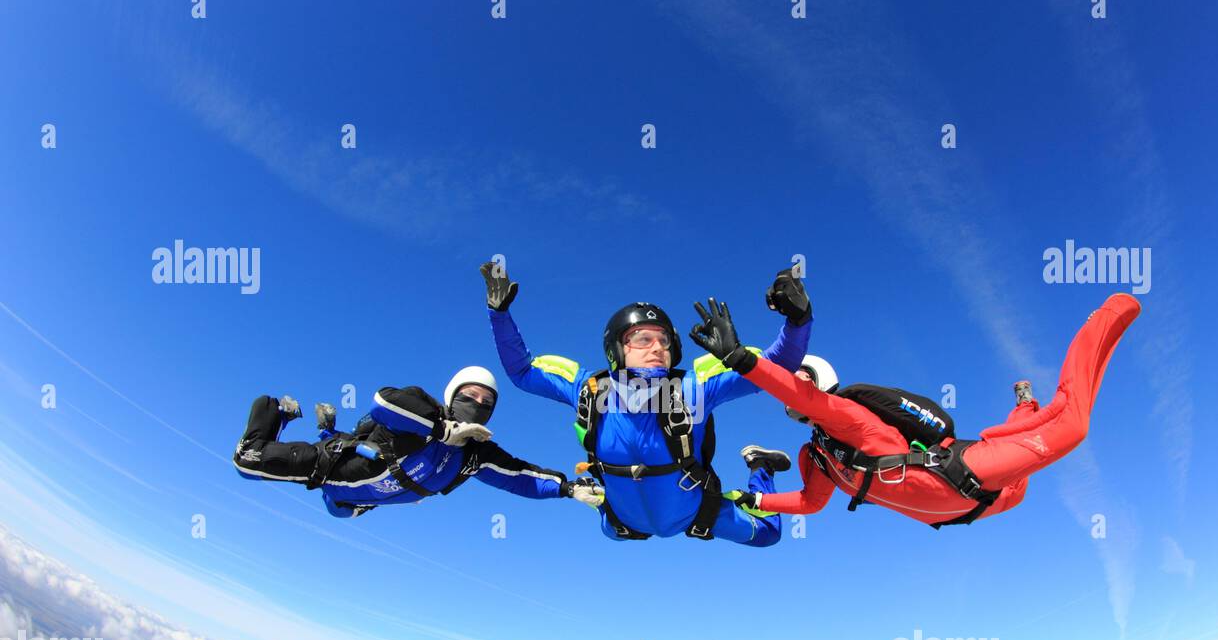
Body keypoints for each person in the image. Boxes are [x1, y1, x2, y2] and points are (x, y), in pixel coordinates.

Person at [688, 293, 1141, 528]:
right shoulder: (820, 455)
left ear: (822, 383)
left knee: (1072, 424)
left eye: (802, 381)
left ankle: (1106, 316)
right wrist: (756, 500)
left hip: (965, 473)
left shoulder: (846, 412)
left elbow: (805, 398)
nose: (793, 395)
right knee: (1017, 468)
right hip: (967, 510)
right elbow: (811, 502)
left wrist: (741, 359)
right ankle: (1024, 406)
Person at [482, 262, 813, 544]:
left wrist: (798, 320)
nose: (657, 348)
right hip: (619, 521)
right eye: (642, 339)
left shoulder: (694, 388)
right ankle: (598, 497)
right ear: (616, 349)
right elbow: (523, 372)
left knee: (768, 534)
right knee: (610, 529)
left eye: (664, 340)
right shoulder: (590, 389)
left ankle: (761, 467)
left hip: (693, 513)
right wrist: (500, 314)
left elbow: (779, 366)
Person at [232, 366, 604, 518]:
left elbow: (519, 476)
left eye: (486, 402)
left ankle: (327, 431)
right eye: (469, 395)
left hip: (353, 500)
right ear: (451, 396)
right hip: (330, 467)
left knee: (339, 511)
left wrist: (568, 488)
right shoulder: (422, 407)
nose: (477, 404)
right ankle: (276, 408)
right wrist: (441, 428)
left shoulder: (475, 454)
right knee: (246, 461)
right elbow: (383, 403)